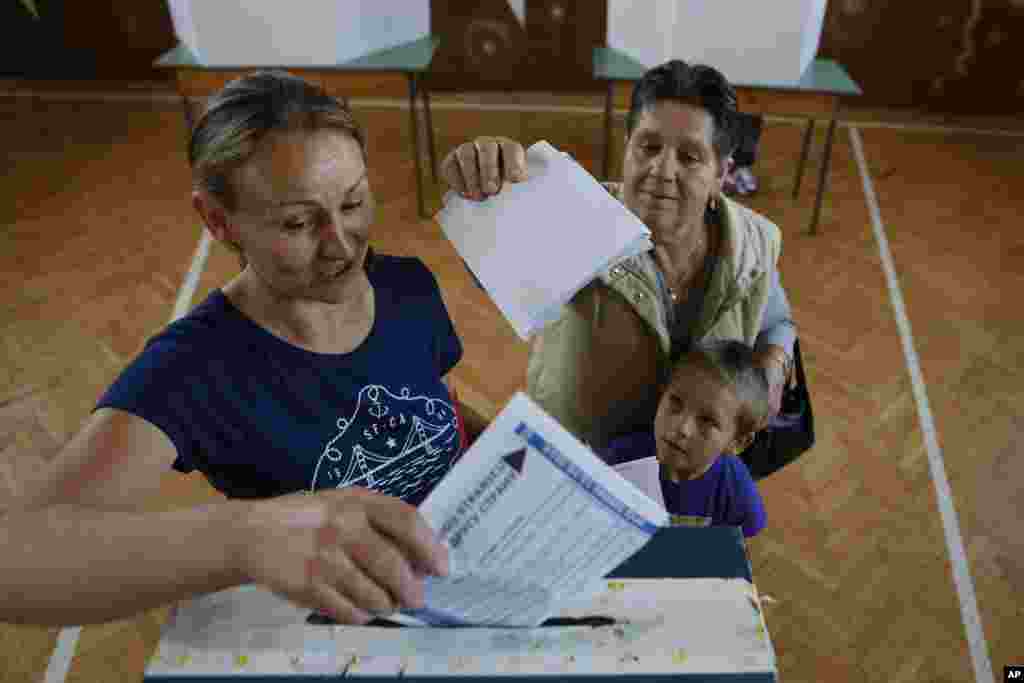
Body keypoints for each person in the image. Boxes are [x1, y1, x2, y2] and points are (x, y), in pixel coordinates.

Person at [3, 70, 489, 626]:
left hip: (467, 577)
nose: (342, 244)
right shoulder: (195, 368)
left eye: (353, 203)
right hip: (353, 629)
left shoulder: (406, 286)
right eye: (298, 221)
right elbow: (20, 561)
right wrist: (246, 538)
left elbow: (435, 404)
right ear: (218, 221)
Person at [441, 59, 797, 451]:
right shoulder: (572, 217)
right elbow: (492, 254)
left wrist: (774, 366)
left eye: (690, 157)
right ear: (626, 149)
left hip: (688, 479)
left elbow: (776, 319)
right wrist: (485, 184)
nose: (662, 170)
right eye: (649, 147)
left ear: (722, 174)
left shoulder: (752, 242)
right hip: (581, 478)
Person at [599, 340, 768, 538]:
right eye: (676, 402)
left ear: (737, 442)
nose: (682, 427)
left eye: (707, 420)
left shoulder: (735, 490)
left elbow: (738, 546)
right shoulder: (620, 458)